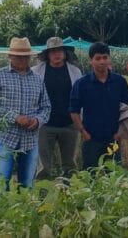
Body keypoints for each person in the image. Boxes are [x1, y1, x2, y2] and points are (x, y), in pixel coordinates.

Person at [0, 37, 50, 189]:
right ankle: (1, 212)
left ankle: (24, 212)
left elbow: (46, 107)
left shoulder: (37, 80)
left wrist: (37, 120)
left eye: (25, 56)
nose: (22, 59)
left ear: (30, 57)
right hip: (6, 137)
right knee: (1, 183)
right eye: (18, 56)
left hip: (30, 140)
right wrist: (15, 117)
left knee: (27, 184)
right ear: (10, 56)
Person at [69, 42, 128, 171]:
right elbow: (74, 111)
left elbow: (125, 107)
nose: (102, 61)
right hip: (91, 139)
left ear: (109, 58)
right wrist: (83, 132)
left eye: (105, 57)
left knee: (114, 175)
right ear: (91, 61)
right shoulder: (82, 84)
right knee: (90, 176)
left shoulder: (119, 82)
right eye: (98, 58)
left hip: (113, 138)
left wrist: (120, 132)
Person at [32, 37, 82, 180]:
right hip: (45, 125)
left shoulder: (75, 72)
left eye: (59, 50)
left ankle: (68, 196)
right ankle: (42, 197)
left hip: (69, 124)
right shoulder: (36, 72)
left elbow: (79, 99)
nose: (56, 54)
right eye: (53, 51)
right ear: (47, 54)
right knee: (43, 167)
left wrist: (80, 123)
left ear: (65, 53)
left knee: (70, 165)